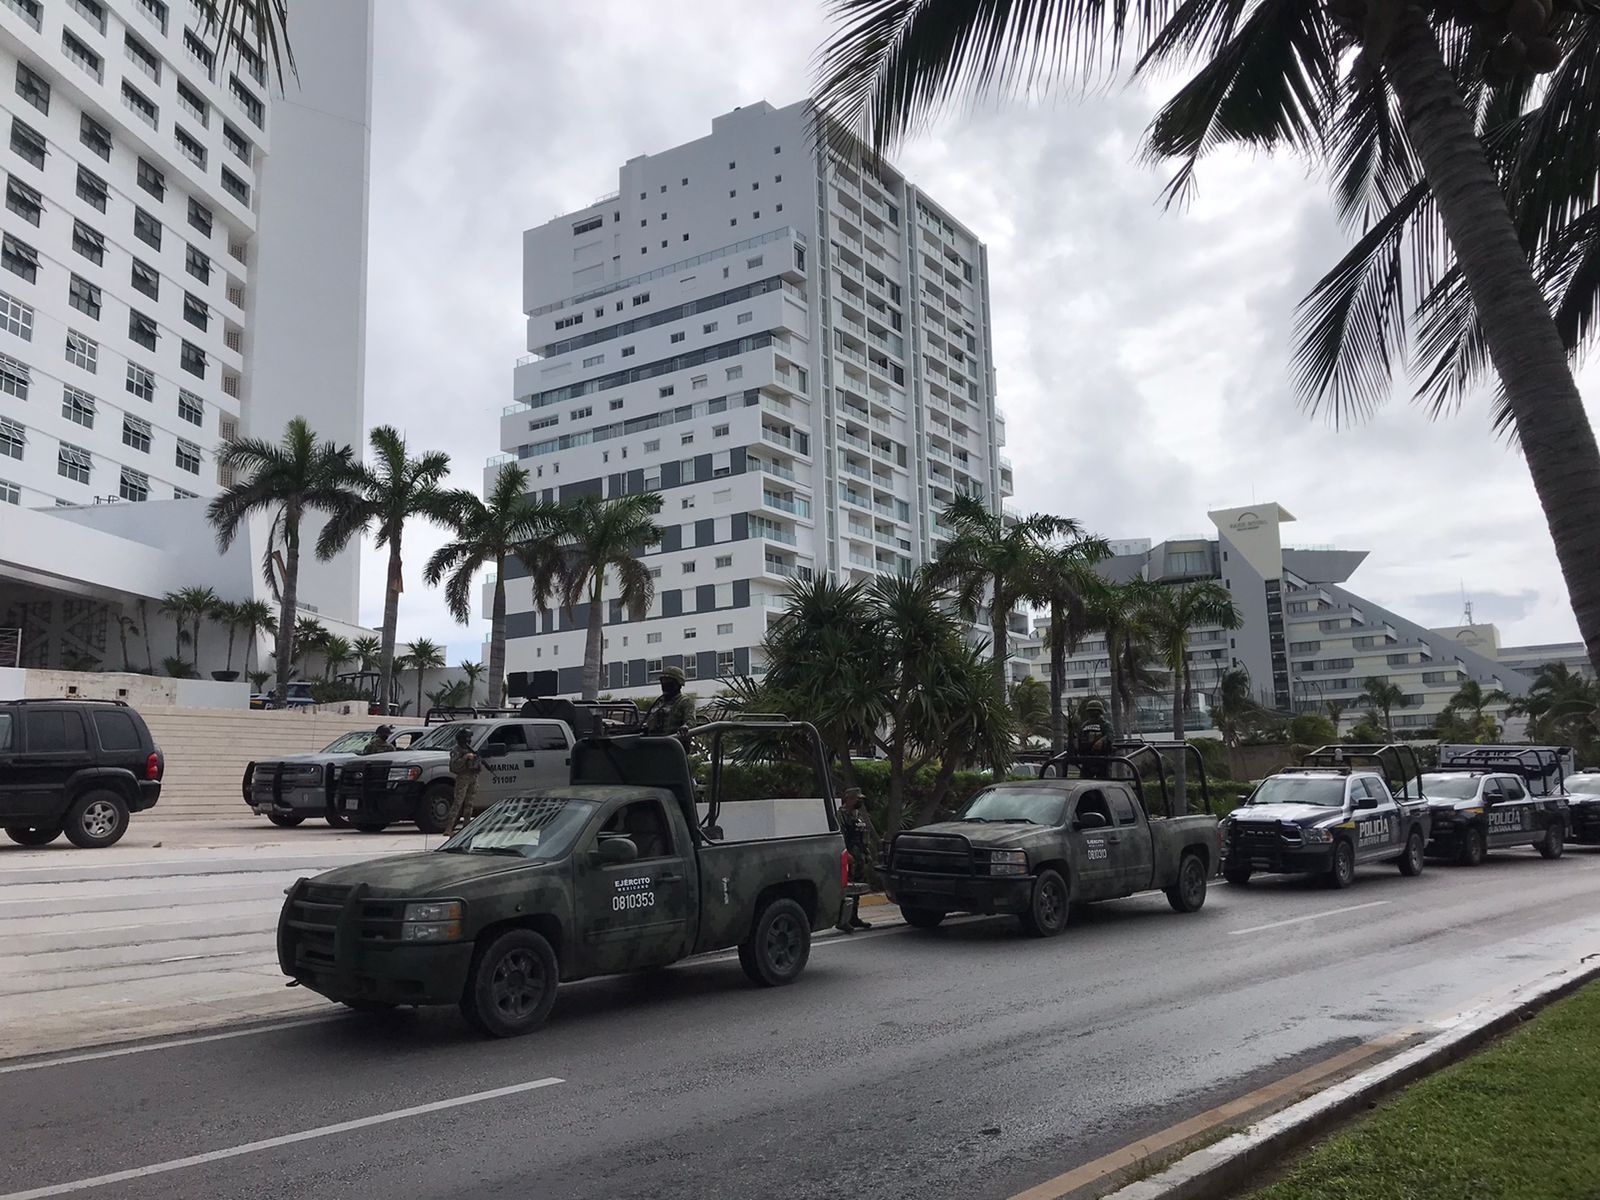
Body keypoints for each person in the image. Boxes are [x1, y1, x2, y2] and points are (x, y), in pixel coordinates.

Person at [835, 787, 876, 933]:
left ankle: (854, 917)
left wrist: (867, 854)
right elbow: (841, 835)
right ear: (849, 799)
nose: (859, 801)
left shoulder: (859, 815)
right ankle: (843, 920)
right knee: (848, 889)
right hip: (850, 855)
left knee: (857, 888)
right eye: (857, 799)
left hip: (860, 856)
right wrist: (847, 854)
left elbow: (864, 835)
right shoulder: (841, 815)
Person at [642, 665, 695, 738]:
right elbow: (649, 720)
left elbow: (690, 722)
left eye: (668, 681)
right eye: (663, 680)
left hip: (674, 743)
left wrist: (685, 727)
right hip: (654, 741)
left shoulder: (684, 701)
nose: (664, 684)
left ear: (678, 683)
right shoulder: (659, 701)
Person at [446, 728, 481, 833]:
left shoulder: (470, 749)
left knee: (469, 804)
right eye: (467, 738)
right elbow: (453, 767)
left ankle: (466, 826)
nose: (469, 740)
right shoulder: (456, 751)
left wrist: (476, 760)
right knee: (458, 803)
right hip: (463, 778)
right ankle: (449, 827)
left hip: (473, 777)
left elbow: (477, 767)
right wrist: (465, 758)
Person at [1076, 700, 1115, 779]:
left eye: (1094, 711)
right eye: (1090, 711)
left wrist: (1102, 741)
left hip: (1102, 758)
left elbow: (1110, 735)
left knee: (1104, 781)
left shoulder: (1105, 724)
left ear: (1099, 711)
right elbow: (1079, 737)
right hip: (1087, 758)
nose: (1092, 713)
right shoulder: (1085, 725)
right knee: (1084, 782)